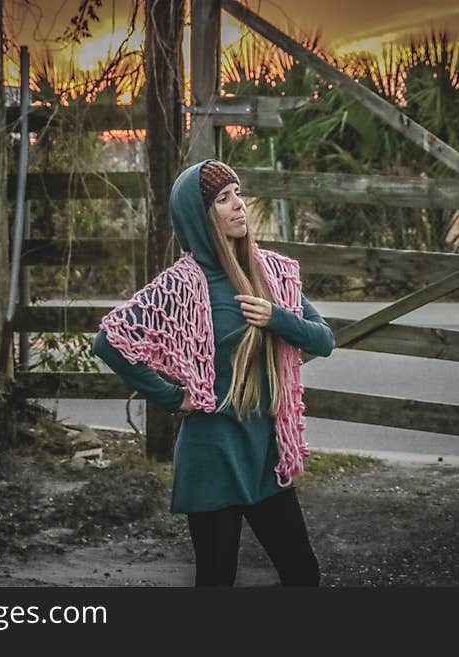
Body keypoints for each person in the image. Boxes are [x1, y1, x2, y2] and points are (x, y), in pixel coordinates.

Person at [92, 160, 335, 587]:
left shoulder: (273, 273)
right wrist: (170, 397)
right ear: (200, 217)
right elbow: (109, 342)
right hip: (212, 455)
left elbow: (323, 340)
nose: (239, 205)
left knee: (303, 574)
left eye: (237, 193)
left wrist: (277, 317)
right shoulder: (183, 286)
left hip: (266, 455)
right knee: (217, 581)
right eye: (223, 199)